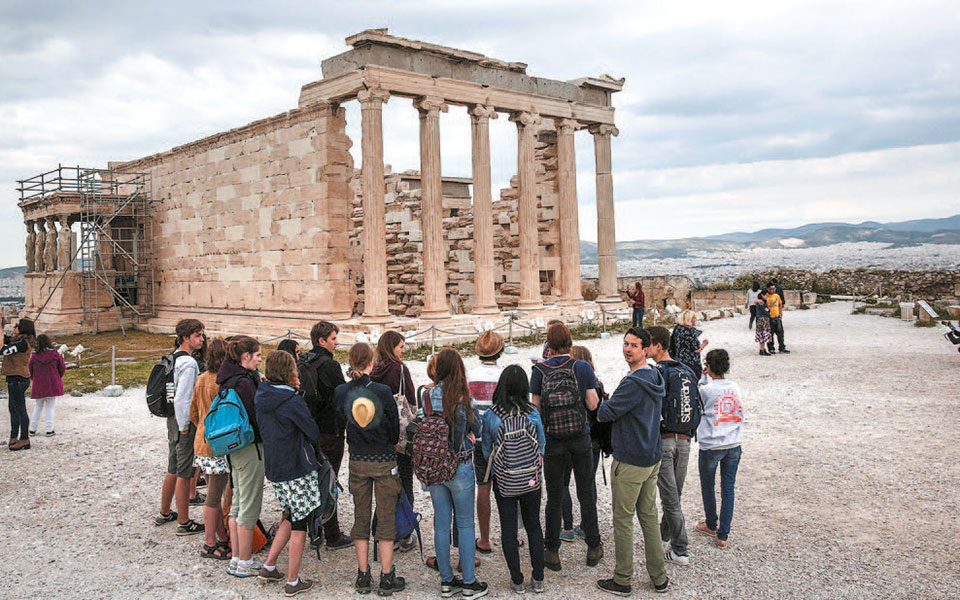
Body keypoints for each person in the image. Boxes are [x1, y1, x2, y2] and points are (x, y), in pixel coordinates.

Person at [596, 327, 669, 596]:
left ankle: (623, 578)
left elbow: (605, 413)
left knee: (623, 520)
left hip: (630, 460)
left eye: (634, 345)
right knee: (649, 517)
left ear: (646, 349)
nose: (627, 349)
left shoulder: (632, 383)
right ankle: (659, 576)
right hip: (651, 456)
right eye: (625, 344)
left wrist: (600, 400)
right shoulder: (655, 376)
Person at [335, 342, 406, 596]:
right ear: (371, 362)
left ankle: (363, 574)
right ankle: (387, 575)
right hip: (384, 458)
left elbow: (339, 422)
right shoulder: (382, 391)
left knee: (360, 516)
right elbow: (394, 426)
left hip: (357, 458)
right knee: (386, 518)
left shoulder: (342, 391)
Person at [531, 322, 603, 572]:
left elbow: (536, 409)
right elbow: (593, 404)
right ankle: (593, 547)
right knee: (585, 494)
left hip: (553, 440)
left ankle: (552, 551)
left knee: (554, 496)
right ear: (570, 342)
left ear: (548, 345)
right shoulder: (581, 367)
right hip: (580, 438)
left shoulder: (538, 370)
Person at [255, 350, 321, 596]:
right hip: (297, 466)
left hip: (276, 466)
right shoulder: (291, 400)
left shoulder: (263, 395)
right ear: (289, 371)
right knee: (300, 522)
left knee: (290, 515)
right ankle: (293, 581)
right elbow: (312, 431)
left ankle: (269, 565)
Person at [425, 348, 488, 599]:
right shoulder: (464, 398)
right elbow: (477, 427)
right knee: (464, 523)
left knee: (441, 522)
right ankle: (469, 582)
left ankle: (446, 580)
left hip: (435, 464)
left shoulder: (428, 395)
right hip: (459, 463)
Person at [482, 365, 546, 594]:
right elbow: (541, 446)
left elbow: (486, 449)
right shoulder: (533, 413)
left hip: (505, 480)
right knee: (533, 526)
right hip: (530, 479)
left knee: (509, 529)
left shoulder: (492, 415)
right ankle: (538, 578)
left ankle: (517, 580)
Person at [647, 326, 701, 566]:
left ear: (659, 346)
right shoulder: (686, 370)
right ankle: (663, 536)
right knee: (674, 495)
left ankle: (680, 549)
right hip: (686, 440)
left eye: (647, 343)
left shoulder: (657, 372)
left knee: (670, 499)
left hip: (665, 440)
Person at [298, 321, 353, 551]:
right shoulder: (329, 366)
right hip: (330, 431)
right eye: (333, 338)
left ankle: (314, 530)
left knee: (313, 481)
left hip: (310, 430)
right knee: (329, 482)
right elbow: (341, 397)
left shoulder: (304, 362)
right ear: (321, 341)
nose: (336, 342)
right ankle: (332, 534)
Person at [220, 336, 265, 578]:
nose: (260, 359)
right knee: (249, 504)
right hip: (250, 447)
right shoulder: (244, 383)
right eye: (257, 355)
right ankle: (245, 560)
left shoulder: (227, 378)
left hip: (233, 447)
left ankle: (238, 557)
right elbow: (256, 416)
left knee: (237, 503)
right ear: (245, 356)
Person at [369, 330, 418, 552]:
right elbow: (410, 399)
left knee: (384, 486)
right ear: (392, 348)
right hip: (399, 436)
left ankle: (382, 532)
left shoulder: (373, 371)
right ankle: (405, 533)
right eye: (400, 346)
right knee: (405, 482)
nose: (402, 350)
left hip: (379, 436)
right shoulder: (399, 370)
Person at [156, 319, 205, 536]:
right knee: (185, 471)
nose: (202, 339)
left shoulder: (173, 357)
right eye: (197, 335)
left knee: (173, 467)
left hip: (172, 420)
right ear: (186, 337)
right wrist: (186, 426)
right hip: (182, 421)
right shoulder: (189, 363)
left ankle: (165, 512)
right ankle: (184, 521)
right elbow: (183, 398)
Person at [695, 349, 743, 549]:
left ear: (709, 367)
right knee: (728, 488)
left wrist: (702, 377)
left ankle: (711, 523)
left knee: (708, 485)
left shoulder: (706, 389)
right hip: (733, 442)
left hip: (712, 443)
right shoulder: (734, 387)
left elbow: (700, 400)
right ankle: (723, 534)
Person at [190, 338, 232, 561]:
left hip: (202, 441)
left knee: (213, 493)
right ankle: (210, 543)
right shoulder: (222, 383)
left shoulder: (201, 379)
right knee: (214, 498)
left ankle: (222, 537)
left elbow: (193, 412)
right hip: (217, 445)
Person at [560, 345, 604, 543]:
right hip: (593, 439)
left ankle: (567, 526)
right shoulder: (597, 383)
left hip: (571, 436)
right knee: (588, 483)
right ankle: (587, 525)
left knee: (563, 482)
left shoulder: (567, 382)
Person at [467, 330, 504, 556]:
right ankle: (513, 534)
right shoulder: (504, 375)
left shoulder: (469, 375)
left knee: (483, 486)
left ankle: (484, 537)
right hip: (502, 439)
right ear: (499, 351)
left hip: (479, 439)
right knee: (507, 487)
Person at [2, 316, 35, 451]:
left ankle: (24, 438)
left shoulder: (22, 344)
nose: (14, 327)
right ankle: (14, 436)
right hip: (14, 378)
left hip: (18, 378)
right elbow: (4, 340)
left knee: (20, 409)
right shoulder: (18, 341)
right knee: (13, 408)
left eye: (16, 325)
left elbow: (3, 350)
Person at [28, 334, 65, 437]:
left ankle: (32, 429)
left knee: (38, 406)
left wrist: (34, 379)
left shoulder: (34, 356)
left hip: (39, 383)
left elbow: (30, 369)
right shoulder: (54, 353)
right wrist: (57, 377)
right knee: (50, 407)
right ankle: (49, 429)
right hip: (52, 382)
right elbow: (62, 367)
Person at [669, 310, 707, 380]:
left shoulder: (677, 328)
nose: (695, 320)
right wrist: (704, 344)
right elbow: (697, 349)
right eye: (694, 318)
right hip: (691, 362)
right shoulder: (690, 331)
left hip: (678, 359)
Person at [766, 282, 790, 354]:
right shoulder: (766, 297)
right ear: (768, 289)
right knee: (770, 334)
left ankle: (782, 347)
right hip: (769, 317)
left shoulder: (777, 296)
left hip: (777, 317)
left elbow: (780, 304)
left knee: (780, 333)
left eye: (774, 289)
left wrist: (780, 314)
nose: (773, 290)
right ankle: (771, 348)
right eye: (771, 289)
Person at [755, 290, 773, 356]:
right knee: (763, 335)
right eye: (766, 295)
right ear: (762, 295)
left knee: (761, 335)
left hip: (760, 320)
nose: (766, 297)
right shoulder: (762, 303)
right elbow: (766, 312)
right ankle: (762, 350)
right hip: (763, 320)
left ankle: (762, 349)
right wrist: (768, 310)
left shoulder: (760, 302)